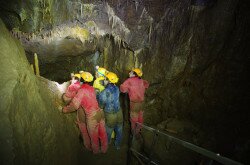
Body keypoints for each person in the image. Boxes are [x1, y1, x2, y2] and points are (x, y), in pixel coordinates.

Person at [63, 71, 108, 154]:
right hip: (100, 113)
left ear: (81, 80)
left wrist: (65, 109)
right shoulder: (91, 88)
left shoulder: (81, 91)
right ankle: (104, 149)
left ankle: (96, 151)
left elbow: (75, 105)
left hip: (92, 116)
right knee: (103, 133)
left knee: (93, 137)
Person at [61, 73, 91, 151]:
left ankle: (86, 144)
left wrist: (65, 109)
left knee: (83, 128)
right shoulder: (88, 88)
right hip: (90, 110)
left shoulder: (73, 86)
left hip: (81, 108)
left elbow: (73, 102)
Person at [120, 68, 149, 135]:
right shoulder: (141, 80)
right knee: (140, 118)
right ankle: (139, 131)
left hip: (134, 104)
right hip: (141, 103)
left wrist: (127, 89)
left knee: (133, 120)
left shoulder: (129, 80)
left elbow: (122, 90)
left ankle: (134, 134)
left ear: (134, 74)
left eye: (130, 72)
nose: (129, 73)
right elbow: (147, 84)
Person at [99, 72, 123, 149]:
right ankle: (118, 145)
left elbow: (101, 104)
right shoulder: (117, 88)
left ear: (109, 81)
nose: (104, 80)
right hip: (119, 112)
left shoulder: (104, 92)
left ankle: (107, 143)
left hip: (110, 114)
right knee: (119, 129)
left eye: (105, 79)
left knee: (108, 130)